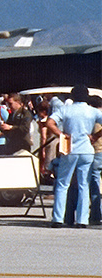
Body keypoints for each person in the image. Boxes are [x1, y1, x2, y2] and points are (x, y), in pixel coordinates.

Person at [42, 86, 100, 229]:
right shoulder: (92, 111)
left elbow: (49, 122)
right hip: (87, 149)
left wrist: (60, 134)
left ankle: (58, 218)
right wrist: (95, 136)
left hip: (69, 148)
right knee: (83, 185)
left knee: (63, 184)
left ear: (72, 96)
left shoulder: (65, 109)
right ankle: (82, 220)